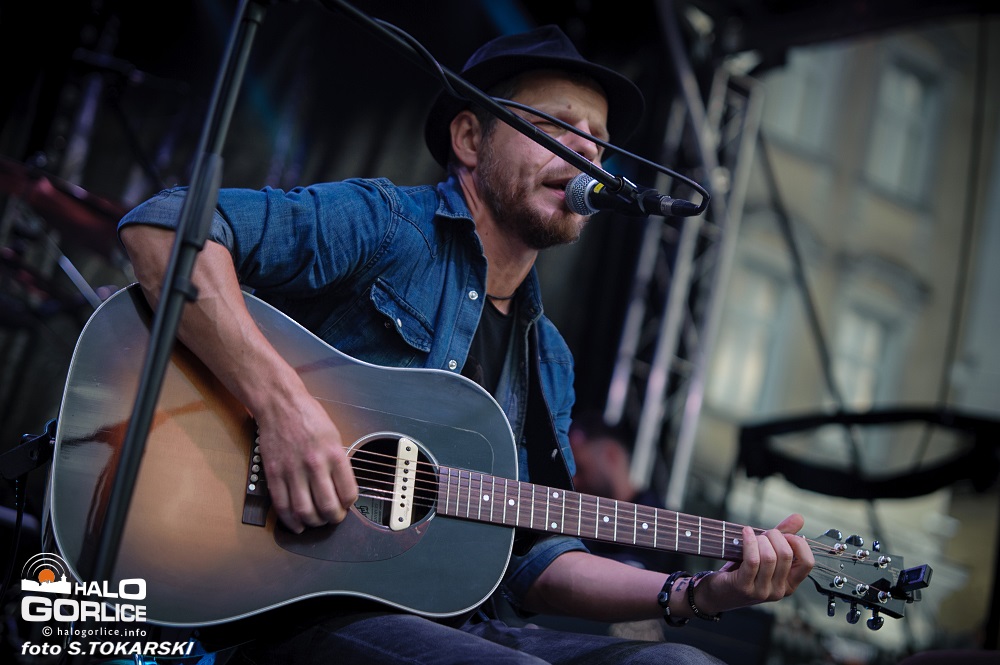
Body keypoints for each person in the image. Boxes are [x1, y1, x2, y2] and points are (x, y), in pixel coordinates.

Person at [117, 24, 814, 665]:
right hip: (290, 605)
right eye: (556, 125)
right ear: (471, 139)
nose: (587, 152)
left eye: (598, 140)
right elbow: (164, 228)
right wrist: (281, 407)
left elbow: (534, 558)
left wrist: (694, 593)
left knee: (680, 663)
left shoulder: (549, 358)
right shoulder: (386, 226)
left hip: (453, 626)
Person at [569, 412, 684, 573]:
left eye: (580, 469)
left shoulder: (660, 523)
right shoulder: (584, 516)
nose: (574, 480)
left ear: (611, 455)